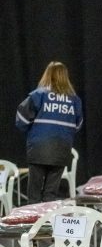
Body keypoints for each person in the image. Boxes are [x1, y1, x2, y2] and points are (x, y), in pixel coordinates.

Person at [15, 61, 83, 204]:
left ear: (47, 75)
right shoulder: (75, 100)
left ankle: (33, 218)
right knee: (50, 195)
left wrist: (33, 131)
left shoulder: (38, 95)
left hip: (38, 149)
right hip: (62, 150)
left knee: (34, 195)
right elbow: (77, 125)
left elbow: (21, 119)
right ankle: (48, 218)